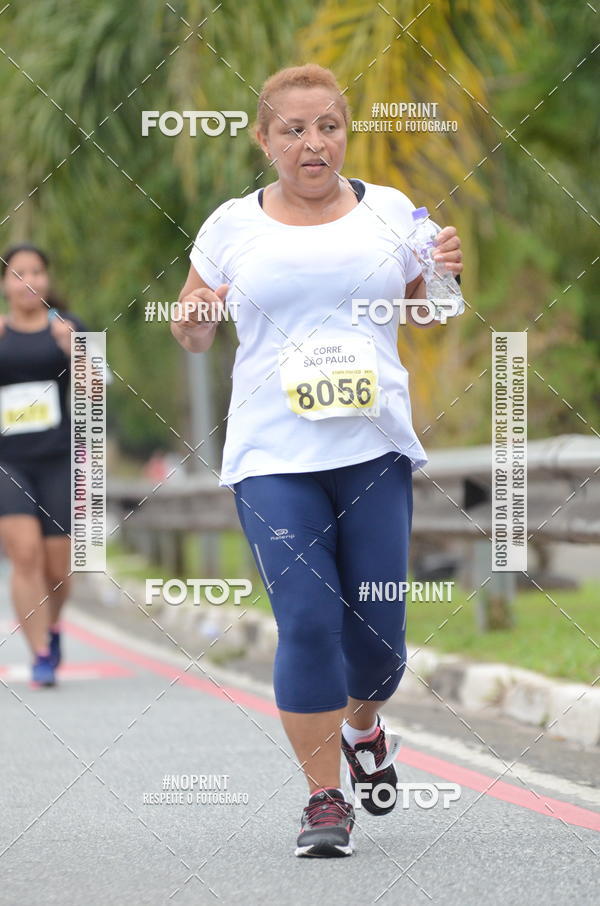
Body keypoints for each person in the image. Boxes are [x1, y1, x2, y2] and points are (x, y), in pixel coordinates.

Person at [171, 64, 464, 858]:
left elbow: (430, 309)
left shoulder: (391, 212)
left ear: (345, 133)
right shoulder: (232, 225)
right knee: (305, 621)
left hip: (371, 450)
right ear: (265, 141)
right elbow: (195, 329)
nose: (313, 143)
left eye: (328, 127)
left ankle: (364, 731)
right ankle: (323, 800)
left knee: (379, 642)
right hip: (272, 455)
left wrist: (444, 270)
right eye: (294, 130)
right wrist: (192, 318)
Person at [0, 243, 87, 687]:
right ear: (4, 284)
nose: (28, 280)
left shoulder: (71, 329)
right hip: (7, 462)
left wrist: (75, 352)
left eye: (36, 271)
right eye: (17, 273)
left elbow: (99, 392)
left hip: (59, 459)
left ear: (47, 279)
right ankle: (37, 654)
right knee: (25, 554)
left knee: (59, 566)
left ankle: (52, 629)